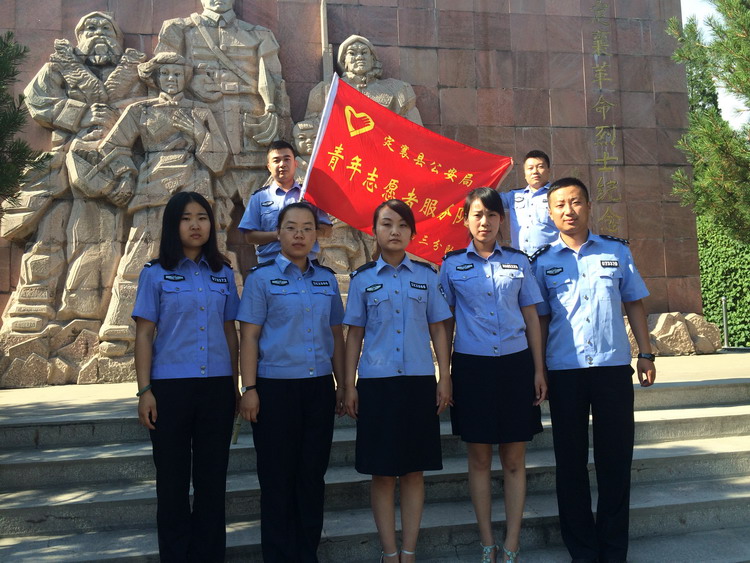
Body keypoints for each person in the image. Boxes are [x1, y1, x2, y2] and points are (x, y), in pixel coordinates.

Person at [531, 177, 656, 563]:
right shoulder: (542, 261)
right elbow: (540, 319)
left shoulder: (616, 251)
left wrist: (646, 353)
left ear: (588, 205)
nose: (568, 211)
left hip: (611, 369)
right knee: (570, 464)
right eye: (560, 205)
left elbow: (634, 301)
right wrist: (539, 369)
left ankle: (613, 549)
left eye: (575, 202)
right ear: (550, 213)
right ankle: (582, 550)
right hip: (565, 371)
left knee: (615, 461)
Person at [440, 187, 547, 563]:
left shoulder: (518, 262)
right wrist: (445, 374)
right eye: (477, 214)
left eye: (491, 214)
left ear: (502, 219)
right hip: (472, 368)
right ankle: (487, 542)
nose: (484, 221)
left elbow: (531, 316)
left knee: (515, 459)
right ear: (466, 220)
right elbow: (445, 323)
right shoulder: (451, 264)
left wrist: (538, 369)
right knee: (480, 459)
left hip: (516, 366)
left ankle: (512, 542)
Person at [132, 191, 240, 562]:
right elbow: (144, 335)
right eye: (186, 218)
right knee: (172, 483)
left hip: (216, 389)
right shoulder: (154, 273)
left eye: (202, 218)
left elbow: (230, 332)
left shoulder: (223, 273)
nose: (195, 225)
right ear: (172, 225)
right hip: (170, 391)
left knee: (212, 483)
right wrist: (145, 391)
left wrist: (234, 386)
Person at [98, 52, 230, 353]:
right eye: (166, 74)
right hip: (153, 188)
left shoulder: (200, 111)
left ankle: (202, 330)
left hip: (194, 188)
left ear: (186, 77)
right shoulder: (140, 110)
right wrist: (126, 174)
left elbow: (219, 161)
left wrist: (197, 132)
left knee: (201, 261)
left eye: (178, 74)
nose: (172, 79)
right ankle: (119, 327)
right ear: (155, 77)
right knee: (139, 256)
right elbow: (113, 147)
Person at [344, 199, 452, 563]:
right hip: (377, 384)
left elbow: (438, 329)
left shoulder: (427, 276)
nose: (395, 231)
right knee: (382, 473)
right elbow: (354, 335)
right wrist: (348, 384)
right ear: (374, 231)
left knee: (414, 471)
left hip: (419, 383)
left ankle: (409, 551)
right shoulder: (362, 279)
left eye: (403, 225)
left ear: (412, 233)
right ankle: (389, 553)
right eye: (387, 224)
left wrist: (444, 377)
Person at [238, 202, 345, 562]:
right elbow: (249, 336)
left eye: (307, 228)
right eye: (291, 227)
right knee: (277, 479)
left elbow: (336, 335)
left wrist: (344, 385)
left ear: (316, 235)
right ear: (278, 233)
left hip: (318, 390)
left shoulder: (326, 279)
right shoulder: (260, 279)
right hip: (274, 390)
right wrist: (250, 389)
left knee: (312, 476)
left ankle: (306, 553)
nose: (299, 234)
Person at [238, 140, 331, 264]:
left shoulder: (309, 195)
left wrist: (304, 233)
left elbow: (327, 230)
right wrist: (278, 235)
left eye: (287, 159)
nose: (282, 164)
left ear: (295, 164)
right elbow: (249, 236)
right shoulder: (259, 197)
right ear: (269, 167)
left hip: (306, 263)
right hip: (271, 263)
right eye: (276, 160)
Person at [500, 150, 558, 256]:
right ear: (525, 173)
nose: (535, 171)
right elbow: (486, 197)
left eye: (540, 167)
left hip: (550, 258)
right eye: (530, 168)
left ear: (548, 170)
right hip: (520, 259)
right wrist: (503, 173)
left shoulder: (557, 194)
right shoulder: (514, 196)